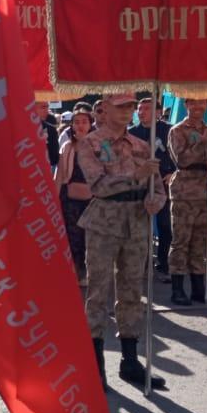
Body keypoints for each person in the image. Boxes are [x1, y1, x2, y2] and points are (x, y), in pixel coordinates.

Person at [75, 93, 167, 390]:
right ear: (104, 108)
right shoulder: (90, 143)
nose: (128, 111)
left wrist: (156, 200)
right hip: (104, 221)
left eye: (131, 106)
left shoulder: (141, 145)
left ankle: (130, 361)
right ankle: (95, 364)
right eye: (121, 106)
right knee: (98, 291)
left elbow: (158, 185)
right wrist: (135, 176)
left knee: (131, 291)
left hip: (137, 221)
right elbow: (98, 185)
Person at [167, 99, 207, 305]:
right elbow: (181, 159)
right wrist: (202, 141)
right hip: (185, 192)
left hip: (206, 192)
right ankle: (177, 289)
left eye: (202, 104)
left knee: (200, 241)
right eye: (194, 103)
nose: (198, 107)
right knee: (181, 241)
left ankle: (199, 288)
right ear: (187, 105)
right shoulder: (177, 130)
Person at [129, 97, 176, 275]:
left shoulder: (169, 130)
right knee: (141, 226)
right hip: (141, 183)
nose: (141, 112)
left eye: (146, 109)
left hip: (163, 181)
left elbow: (178, 154)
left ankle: (163, 261)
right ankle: (144, 262)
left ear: (158, 112)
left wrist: (173, 172)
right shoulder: (132, 132)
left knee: (165, 225)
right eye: (139, 109)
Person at [55, 108, 94, 283]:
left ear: (90, 124)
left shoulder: (100, 145)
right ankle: (76, 272)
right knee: (73, 236)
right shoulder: (67, 146)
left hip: (93, 198)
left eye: (84, 122)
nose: (80, 125)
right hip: (70, 198)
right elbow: (60, 175)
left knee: (90, 237)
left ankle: (89, 272)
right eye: (77, 122)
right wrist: (55, 197)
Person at [34, 100, 60, 168]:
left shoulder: (51, 119)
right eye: (43, 107)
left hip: (54, 161)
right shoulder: (30, 124)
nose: (46, 110)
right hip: (38, 164)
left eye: (47, 107)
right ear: (34, 108)